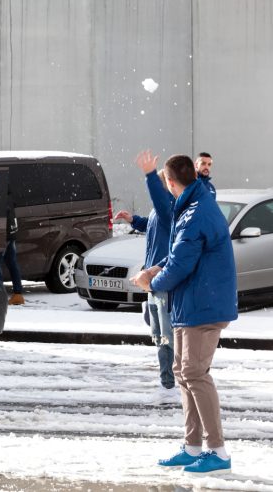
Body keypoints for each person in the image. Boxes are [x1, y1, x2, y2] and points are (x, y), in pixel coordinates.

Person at [131, 154, 237, 475]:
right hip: (190, 303)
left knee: (194, 372)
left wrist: (151, 282)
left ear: (172, 182)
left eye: (165, 181)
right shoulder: (190, 205)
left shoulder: (196, 213)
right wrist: (154, 269)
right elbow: (177, 255)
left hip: (204, 304)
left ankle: (217, 451)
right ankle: (193, 446)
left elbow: (181, 265)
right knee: (182, 371)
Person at [114, 150, 178, 405]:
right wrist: (134, 220)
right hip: (151, 279)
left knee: (164, 335)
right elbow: (152, 225)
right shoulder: (158, 213)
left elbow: (160, 204)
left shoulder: (168, 208)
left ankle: (169, 384)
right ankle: (172, 377)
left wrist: (150, 174)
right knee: (155, 326)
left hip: (161, 278)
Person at [0, 186, 24, 306]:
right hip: (11, 233)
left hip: (4, 234)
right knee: (11, 262)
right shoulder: (9, 195)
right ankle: (18, 294)